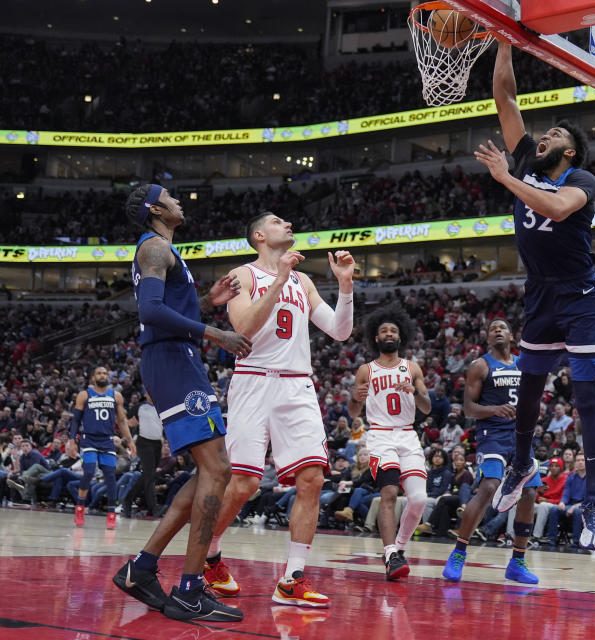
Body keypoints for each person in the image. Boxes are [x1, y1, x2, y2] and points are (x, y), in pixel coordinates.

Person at [477, 42, 595, 550]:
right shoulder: (529, 160)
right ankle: (521, 463)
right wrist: (503, 35)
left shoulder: (580, 179)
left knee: (585, 399)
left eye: (553, 135)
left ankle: (594, 500)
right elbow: (505, 96)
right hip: (540, 296)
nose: (543, 136)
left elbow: (556, 210)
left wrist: (507, 178)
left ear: (568, 151)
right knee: (528, 391)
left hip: (580, 298)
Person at [112, 183, 251, 623]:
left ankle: (143, 568)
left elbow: (166, 308)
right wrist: (217, 332)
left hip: (176, 359)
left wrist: (206, 305)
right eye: (169, 196)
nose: (179, 200)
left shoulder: (165, 250)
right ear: (155, 208)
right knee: (219, 469)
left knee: (212, 471)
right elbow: (150, 312)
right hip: (172, 361)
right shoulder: (154, 248)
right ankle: (189, 590)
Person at [202, 212, 355, 607]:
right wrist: (281, 280)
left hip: (297, 383)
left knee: (312, 479)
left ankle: (292, 578)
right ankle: (208, 554)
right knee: (245, 485)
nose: (288, 224)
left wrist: (345, 285)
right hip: (254, 380)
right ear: (258, 235)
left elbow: (339, 331)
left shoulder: (304, 281)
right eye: (277, 221)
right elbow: (244, 329)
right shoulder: (244, 275)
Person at [442, 320, 540, 584]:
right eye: (492, 328)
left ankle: (517, 561)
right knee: (489, 486)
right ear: (486, 338)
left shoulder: (524, 363)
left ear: (511, 335)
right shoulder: (480, 366)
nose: (497, 330)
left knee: (529, 492)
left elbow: (533, 398)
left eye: (502, 327)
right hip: (492, 435)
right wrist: (495, 410)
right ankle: (459, 553)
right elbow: (469, 409)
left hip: (521, 435)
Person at [348, 306, 431, 580]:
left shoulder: (413, 367)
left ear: (400, 336)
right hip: (381, 435)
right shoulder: (365, 370)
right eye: (383, 331)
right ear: (376, 337)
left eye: (393, 331)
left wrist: (416, 391)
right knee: (389, 494)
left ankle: (400, 549)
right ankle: (390, 553)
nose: (388, 334)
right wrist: (355, 397)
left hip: (407, 434)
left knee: (418, 499)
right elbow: (353, 413)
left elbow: (427, 408)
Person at [69, 366, 135, 528]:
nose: (102, 375)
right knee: (89, 471)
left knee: (110, 476)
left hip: (107, 440)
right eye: (99, 373)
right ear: (93, 378)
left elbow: (122, 421)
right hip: (89, 439)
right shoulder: (85, 395)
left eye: (105, 373)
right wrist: (72, 441)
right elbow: (76, 420)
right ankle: (80, 507)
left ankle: (111, 513)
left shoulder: (116, 396)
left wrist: (130, 440)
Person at [122, 392, 162, 517]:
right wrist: (130, 423)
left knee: (148, 475)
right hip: (144, 442)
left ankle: (127, 500)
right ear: (146, 394)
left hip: (157, 443)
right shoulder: (140, 406)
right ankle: (154, 508)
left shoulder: (163, 406)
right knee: (149, 475)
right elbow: (125, 418)